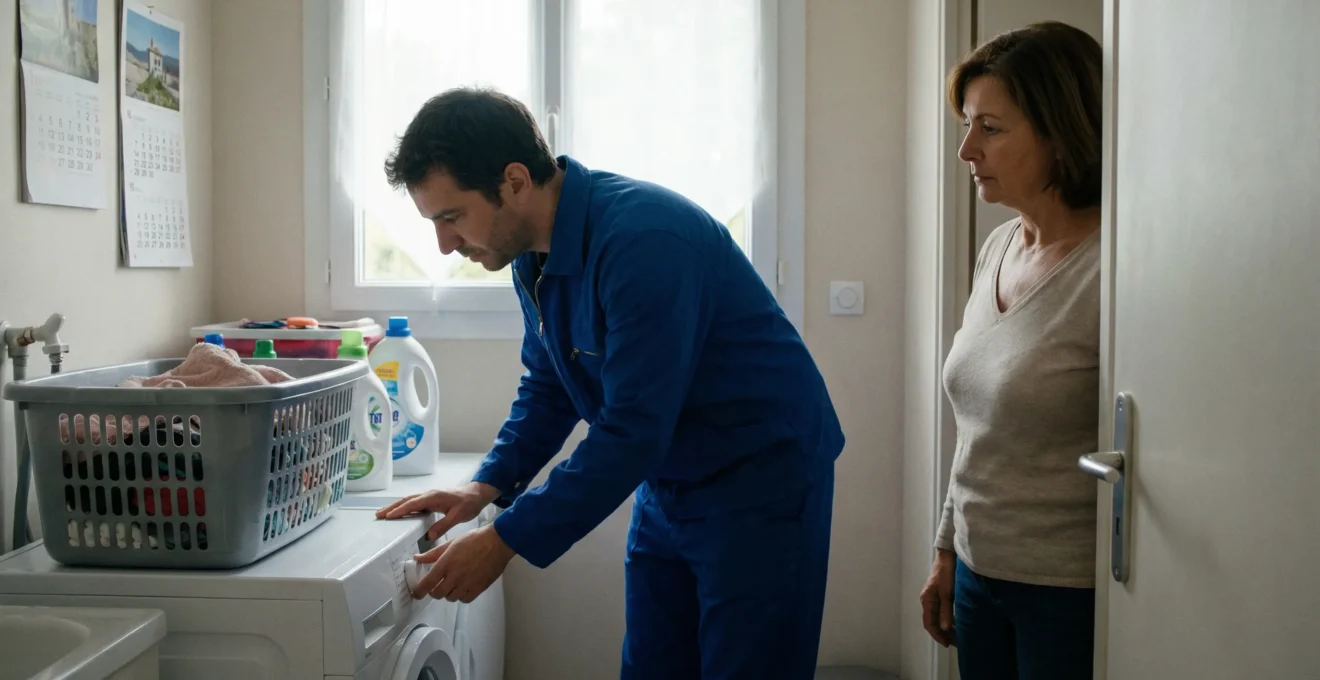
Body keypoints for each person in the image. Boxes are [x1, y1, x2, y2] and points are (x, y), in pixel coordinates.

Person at [373, 87, 844, 679]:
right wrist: (485, 486)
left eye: (451, 216)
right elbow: (548, 385)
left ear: (514, 180)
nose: (444, 244)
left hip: (760, 482)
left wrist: (503, 541)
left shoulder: (645, 242)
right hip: (669, 479)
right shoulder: (530, 257)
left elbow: (631, 430)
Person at [917, 21, 1104, 679]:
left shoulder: (1113, 269)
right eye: (967, 125)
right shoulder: (999, 247)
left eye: (990, 128)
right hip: (975, 572)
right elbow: (978, 433)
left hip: (1064, 591)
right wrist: (946, 549)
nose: (967, 149)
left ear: (1062, 133)